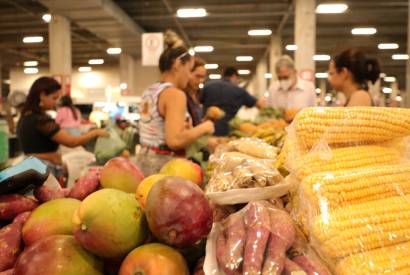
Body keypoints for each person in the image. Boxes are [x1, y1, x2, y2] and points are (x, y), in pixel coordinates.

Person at [137, 31, 214, 174]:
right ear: (178, 64)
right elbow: (174, 140)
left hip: (145, 160)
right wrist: (205, 127)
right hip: (164, 165)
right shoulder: (175, 94)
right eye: (189, 69)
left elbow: (156, 128)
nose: (189, 75)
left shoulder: (150, 90)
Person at [17, 77, 107, 176]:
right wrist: (95, 133)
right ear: (42, 95)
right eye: (54, 98)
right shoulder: (40, 120)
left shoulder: (26, 116)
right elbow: (71, 142)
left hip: (34, 168)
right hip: (41, 170)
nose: (56, 102)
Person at [201, 66, 264, 136]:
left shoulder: (208, 86)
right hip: (224, 130)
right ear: (234, 76)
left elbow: (199, 103)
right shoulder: (239, 91)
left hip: (205, 128)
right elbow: (259, 104)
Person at [185, 56, 206, 126]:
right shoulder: (181, 95)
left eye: (203, 77)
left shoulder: (198, 94)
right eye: (197, 76)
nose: (201, 80)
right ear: (187, 73)